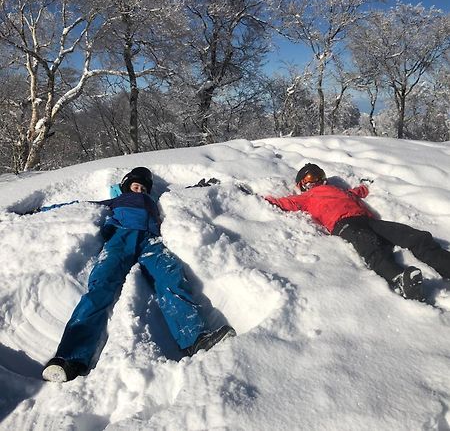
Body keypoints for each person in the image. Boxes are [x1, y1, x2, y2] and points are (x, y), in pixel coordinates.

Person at [42, 167, 235, 383]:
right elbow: (79, 206)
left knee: (170, 276)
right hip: (119, 239)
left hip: (150, 241)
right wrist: (40, 209)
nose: (140, 189)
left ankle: (195, 338)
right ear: (126, 186)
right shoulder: (115, 201)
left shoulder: (154, 202)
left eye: (144, 187)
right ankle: (69, 357)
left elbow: (181, 194)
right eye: (136, 186)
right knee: (100, 286)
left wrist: (201, 187)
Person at [265, 163, 450, 301]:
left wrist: (365, 185)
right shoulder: (307, 197)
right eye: (309, 179)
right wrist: (259, 197)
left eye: (318, 176)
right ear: (302, 185)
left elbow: (357, 192)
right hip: (344, 225)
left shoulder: (340, 190)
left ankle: (445, 263)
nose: (316, 181)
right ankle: (399, 279)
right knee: (369, 246)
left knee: (413, 236)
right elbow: (286, 203)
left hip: (368, 220)